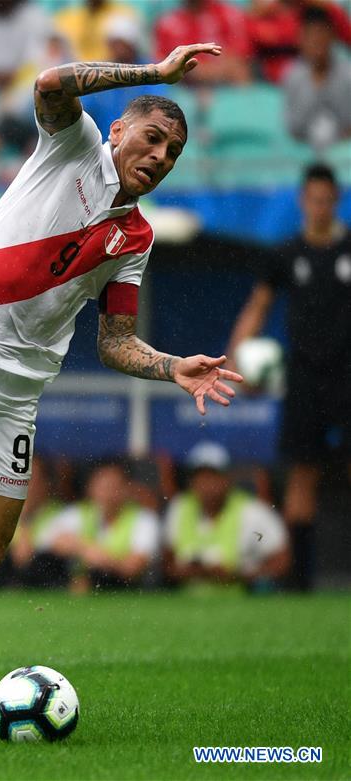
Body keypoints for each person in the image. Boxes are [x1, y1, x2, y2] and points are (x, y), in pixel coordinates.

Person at [0, 42, 245, 730]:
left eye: (171, 152)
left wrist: (171, 364)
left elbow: (113, 342)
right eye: (150, 138)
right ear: (117, 130)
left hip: (14, 392)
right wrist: (156, 72)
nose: (158, 156)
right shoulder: (74, 147)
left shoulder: (135, 237)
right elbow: (52, 82)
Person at [227, 163, 351, 590]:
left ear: (336, 201)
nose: (319, 206)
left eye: (326, 199)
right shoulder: (285, 254)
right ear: (303, 201)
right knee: (303, 475)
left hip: (348, 376)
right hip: (304, 379)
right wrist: (233, 361)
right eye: (313, 199)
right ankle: (301, 582)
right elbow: (257, 308)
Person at [163, 442, 290, 590]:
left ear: (228, 479)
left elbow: (281, 562)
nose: (207, 485)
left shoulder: (254, 512)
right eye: (201, 477)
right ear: (191, 482)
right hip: (185, 604)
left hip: (241, 601)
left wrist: (238, 574)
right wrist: (193, 571)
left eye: (213, 477)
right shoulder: (179, 507)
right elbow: (168, 563)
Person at [32, 460, 160, 593]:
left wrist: (101, 558)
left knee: (100, 574)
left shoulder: (143, 519)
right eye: (102, 485)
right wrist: (86, 550)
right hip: (79, 581)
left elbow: (132, 568)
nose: (107, 493)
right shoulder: (79, 513)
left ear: (126, 489)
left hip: (123, 590)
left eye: (113, 486)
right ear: (90, 488)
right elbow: (46, 543)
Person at [282, 5, 351, 153]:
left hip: (343, 150)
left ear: (332, 36)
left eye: (321, 33)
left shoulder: (347, 75)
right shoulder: (292, 76)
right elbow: (292, 128)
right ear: (301, 39)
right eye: (310, 35)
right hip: (303, 150)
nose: (316, 41)